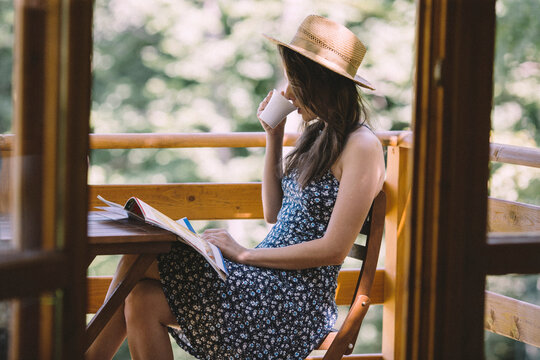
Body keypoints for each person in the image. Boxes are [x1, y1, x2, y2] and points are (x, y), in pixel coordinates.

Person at [86, 14, 385, 360]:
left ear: (318, 84)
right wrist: (273, 137)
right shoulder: (319, 134)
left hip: (290, 301)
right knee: (141, 299)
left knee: (142, 254)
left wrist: (243, 253)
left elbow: (334, 249)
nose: (287, 92)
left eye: (295, 83)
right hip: (262, 280)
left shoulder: (362, 146)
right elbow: (274, 213)